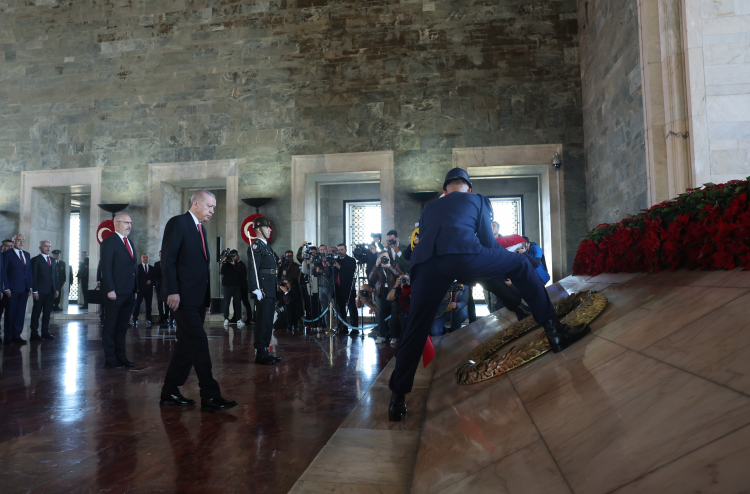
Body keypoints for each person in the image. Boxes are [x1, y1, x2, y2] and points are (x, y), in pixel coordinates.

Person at [387, 168, 590, 422]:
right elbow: (488, 243)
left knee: (416, 328)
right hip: (464, 254)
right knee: (521, 264)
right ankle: (554, 331)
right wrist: (499, 261)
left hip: (425, 265)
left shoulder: (428, 209)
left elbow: (423, 243)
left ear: (444, 191)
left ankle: (397, 400)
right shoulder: (478, 200)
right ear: (468, 189)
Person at [161, 190, 238, 412]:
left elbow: (201, 268)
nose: (212, 211)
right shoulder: (178, 223)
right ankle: (210, 396)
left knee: (185, 346)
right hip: (181, 298)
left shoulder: (201, 229)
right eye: (209, 206)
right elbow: (169, 260)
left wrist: (205, 299)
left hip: (196, 299)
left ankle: (169, 392)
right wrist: (172, 291)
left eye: (214, 207)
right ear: (195, 203)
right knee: (199, 342)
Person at [100, 213, 138, 369]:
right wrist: (110, 289)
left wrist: (135, 289)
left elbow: (133, 268)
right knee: (110, 326)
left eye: (130, 222)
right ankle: (110, 359)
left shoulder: (129, 242)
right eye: (126, 223)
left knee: (122, 326)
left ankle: (121, 357)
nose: (129, 225)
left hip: (129, 292)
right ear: (116, 224)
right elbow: (106, 268)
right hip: (115, 293)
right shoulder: (109, 242)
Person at [247, 216, 281, 365]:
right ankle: (260, 352)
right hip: (263, 289)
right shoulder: (256, 246)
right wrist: (255, 288)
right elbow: (252, 269)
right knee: (262, 321)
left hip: (270, 288)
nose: (270, 230)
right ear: (259, 230)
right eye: (267, 227)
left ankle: (265, 350)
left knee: (268, 321)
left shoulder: (267, 246)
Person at [2, 234, 33, 345]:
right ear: (14, 241)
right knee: (10, 313)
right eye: (18, 240)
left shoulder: (26, 254)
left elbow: (28, 272)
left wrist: (30, 287)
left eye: (23, 240)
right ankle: (8, 336)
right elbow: (3, 272)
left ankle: (17, 335)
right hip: (12, 289)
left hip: (24, 289)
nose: (21, 242)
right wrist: (6, 287)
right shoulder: (7, 254)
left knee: (20, 313)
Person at [30, 240, 59, 341]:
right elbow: (33, 276)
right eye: (45, 246)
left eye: (49, 246)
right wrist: (35, 291)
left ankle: (45, 332)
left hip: (51, 292)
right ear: (40, 248)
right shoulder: (35, 260)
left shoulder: (52, 260)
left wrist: (56, 289)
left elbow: (55, 276)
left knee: (47, 313)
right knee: (36, 313)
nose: (48, 248)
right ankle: (34, 333)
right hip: (40, 291)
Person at [369, 252, 401, 343]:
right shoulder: (378, 266)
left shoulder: (395, 264)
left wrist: (389, 267)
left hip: (392, 291)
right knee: (380, 314)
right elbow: (371, 278)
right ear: (379, 258)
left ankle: (395, 336)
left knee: (394, 313)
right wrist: (376, 265)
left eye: (387, 257)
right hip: (381, 292)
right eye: (383, 257)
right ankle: (381, 335)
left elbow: (399, 275)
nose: (386, 259)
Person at [332, 243, 358, 334]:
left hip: (348, 288)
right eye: (338, 250)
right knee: (340, 309)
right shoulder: (335, 260)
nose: (340, 251)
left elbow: (350, 272)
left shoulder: (351, 260)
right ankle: (343, 327)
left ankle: (355, 329)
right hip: (338, 288)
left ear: (346, 250)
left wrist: (339, 267)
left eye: (342, 249)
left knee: (352, 308)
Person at [221, 250, 245, 328]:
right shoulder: (226, 263)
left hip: (236, 285)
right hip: (227, 285)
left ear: (237, 256)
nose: (232, 257)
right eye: (231, 256)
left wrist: (234, 265)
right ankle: (226, 319)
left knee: (237, 302)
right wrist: (224, 262)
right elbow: (222, 272)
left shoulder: (239, 264)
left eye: (234, 255)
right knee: (226, 302)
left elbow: (240, 273)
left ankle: (238, 319)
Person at [133, 253, 154, 328]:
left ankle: (148, 319)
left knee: (149, 305)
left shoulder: (152, 268)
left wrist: (151, 281)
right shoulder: (137, 267)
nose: (145, 258)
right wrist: (136, 288)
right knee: (137, 305)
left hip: (149, 289)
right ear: (141, 259)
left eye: (146, 257)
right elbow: (135, 279)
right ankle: (135, 319)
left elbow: (154, 277)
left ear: (148, 259)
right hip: (140, 289)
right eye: (144, 257)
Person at [153, 251, 173, 329]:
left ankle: (168, 317)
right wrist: (154, 286)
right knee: (160, 302)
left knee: (167, 302)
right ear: (159, 255)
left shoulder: (168, 263)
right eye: (160, 254)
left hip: (167, 285)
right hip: (159, 285)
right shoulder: (157, 264)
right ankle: (162, 318)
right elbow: (154, 276)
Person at [0, 240, 14, 332]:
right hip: (1, 290)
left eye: (11, 246)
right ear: (2, 247)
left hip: (12, 291)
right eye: (7, 246)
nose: (9, 248)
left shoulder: (14, 257)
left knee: (10, 314)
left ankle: (8, 335)